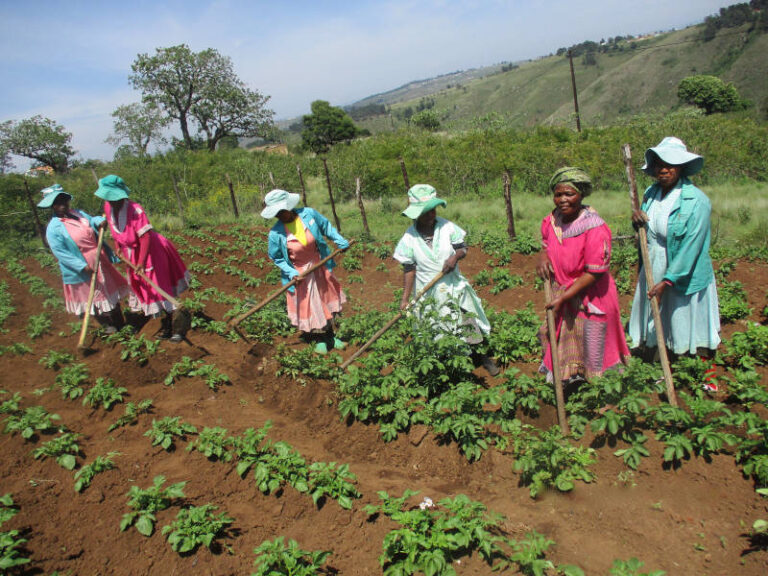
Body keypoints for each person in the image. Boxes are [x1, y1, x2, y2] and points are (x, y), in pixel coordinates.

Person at [629, 137, 720, 391]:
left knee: (692, 319)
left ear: (681, 167)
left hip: (685, 272)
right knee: (662, 319)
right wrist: (636, 220)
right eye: (659, 164)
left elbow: (692, 246)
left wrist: (668, 280)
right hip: (654, 263)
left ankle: (706, 377)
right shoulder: (651, 194)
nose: (664, 169)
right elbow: (647, 230)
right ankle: (665, 369)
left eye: (671, 164)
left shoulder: (696, 201)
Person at [393, 184, 499, 376]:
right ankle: (447, 369)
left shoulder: (447, 227)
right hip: (429, 291)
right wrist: (405, 299)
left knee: (468, 321)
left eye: (432, 210)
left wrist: (454, 258)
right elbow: (409, 270)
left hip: (453, 285)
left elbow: (462, 247)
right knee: (435, 329)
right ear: (416, 214)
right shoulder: (409, 238)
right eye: (425, 212)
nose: (431, 214)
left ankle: (482, 358)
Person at [537, 167, 630, 385]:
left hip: (591, 296)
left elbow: (594, 274)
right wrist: (542, 257)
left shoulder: (594, 227)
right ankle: (573, 387)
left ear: (581, 195)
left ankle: (604, 397)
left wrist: (565, 296)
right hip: (563, 294)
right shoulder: (552, 220)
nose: (562, 200)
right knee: (563, 341)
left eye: (569, 194)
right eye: (558, 194)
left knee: (594, 349)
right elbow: (544, 243)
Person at [95, 175, 190, 342]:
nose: (111, 201)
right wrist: (118, 247)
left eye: (114, 197)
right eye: (109, 198)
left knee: (159, 286)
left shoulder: (135, 210)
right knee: (145, 287)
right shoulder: (108, 207)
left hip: (152, 252)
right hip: (131, 253)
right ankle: (167, 322)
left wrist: (141, 262)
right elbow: (114, 229)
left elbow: (145, 237)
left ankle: (177, 328)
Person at [263, 189, 349, 354]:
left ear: (288, 206)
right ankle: (318, 339)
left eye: (281, 211)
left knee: (326, 299)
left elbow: (326, 227)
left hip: (319, 264)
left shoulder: (309, 214)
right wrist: (291, 272)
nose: (280, 215)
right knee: (310, 305)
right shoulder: (275, 233)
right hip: (300, 272)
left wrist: (339, 240)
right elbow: (276, 257)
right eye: (277, 213)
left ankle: (331, 336)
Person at [39, 184, 131, 333]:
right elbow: (60, 253)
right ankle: (107, 325)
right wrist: (81, 266)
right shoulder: (53, 228)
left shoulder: (78, 213)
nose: (62, 205)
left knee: (109, 290)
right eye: (58, 203)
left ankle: (121, 323)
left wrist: (97, 221)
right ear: (53, 206)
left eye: (64, 201)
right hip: (82, 268)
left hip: (98, 258)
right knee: (93, 297)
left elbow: (91, 219)